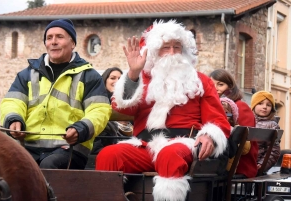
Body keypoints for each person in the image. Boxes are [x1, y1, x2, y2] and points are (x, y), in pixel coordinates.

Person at [95, 20, 231, 201]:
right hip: (145, 146)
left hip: (184, 144)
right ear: (154, 52)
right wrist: (133, 74)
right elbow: (122, 108)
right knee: (108, 155)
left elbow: (217, 121)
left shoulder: (201, 81)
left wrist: (209, 136)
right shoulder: (142, 79)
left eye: (177, 47)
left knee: (169, 154)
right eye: (166, 47)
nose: (173, 53)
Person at [0, 19, 111, 169]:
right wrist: (13, 119)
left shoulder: (89, 76)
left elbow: (100, 111)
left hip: (70, 148)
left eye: (60, 37)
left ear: (72, 44)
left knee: (49, 165)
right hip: (27, 147)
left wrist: (81, 129)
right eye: (49, 37)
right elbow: (12, 102)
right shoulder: (26, 74)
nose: (53, 42)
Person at [209, 68, 258, 178]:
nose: (215, 88)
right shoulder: (214, 106)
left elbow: (243, 142)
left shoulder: (240, 106)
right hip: (222, 161)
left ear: (230, 87)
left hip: (238, 165)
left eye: (220, 84)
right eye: (212, 85)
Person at [90, 67, 133, 155]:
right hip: (107, 154)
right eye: (112, 78)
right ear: (105, 80)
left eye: (120, 79)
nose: (117, 81)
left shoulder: (131, 103)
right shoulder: (98, 103)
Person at [251, 91, 281, 171]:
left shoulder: (272, 125)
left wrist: (262, 164)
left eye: (268, 105)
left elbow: (274, 150)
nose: (264, 107)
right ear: (254, 105)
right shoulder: (247, 121)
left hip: (257, 165)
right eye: (260, 103)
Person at [220, 97, 251, 172]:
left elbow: (245, 150)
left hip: (226, 169)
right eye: (220, 112)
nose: (223, 116)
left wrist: (239, 134)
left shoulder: (233, 129)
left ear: (232, 117)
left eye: (227, 113)